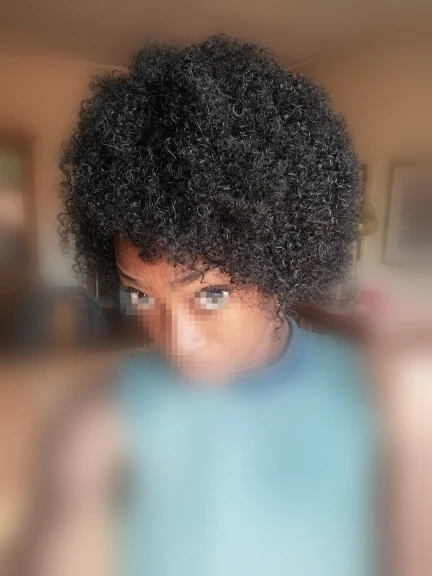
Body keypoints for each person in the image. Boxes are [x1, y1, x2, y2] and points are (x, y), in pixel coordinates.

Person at [20, 35, 378, 576]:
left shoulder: (372, 398)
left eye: (211, 294)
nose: (175, 341)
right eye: (141, 294)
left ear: (279, 268)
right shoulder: (106, 417)